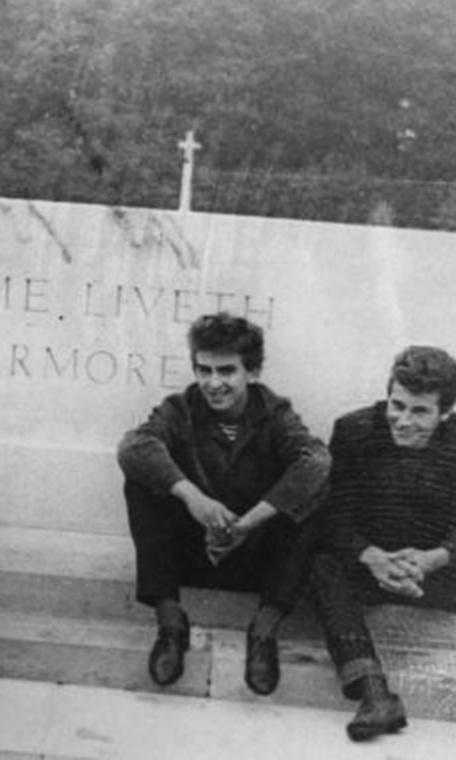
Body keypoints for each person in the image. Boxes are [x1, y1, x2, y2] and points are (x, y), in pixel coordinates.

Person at [117, 312, 329, 694]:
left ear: (252, 371)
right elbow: (134, 447)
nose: (213, 383)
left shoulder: (275, 414)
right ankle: (170, 626)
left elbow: (315, 461)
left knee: (315, 495)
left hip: (254, 558)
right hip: (195, 552)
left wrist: (248, 524)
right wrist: (193, 498)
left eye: (227, 371)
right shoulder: (180, 408)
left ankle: (263, 633)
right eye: (204, 370)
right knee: (141, 480)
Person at [311, 346, 456, 741]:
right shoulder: (354, 430)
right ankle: (374, 694)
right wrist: (370, 556)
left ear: (445, 413)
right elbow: (333, 514)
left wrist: (432, 559)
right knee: (320, 563)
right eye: (398, 405)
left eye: (420, 411)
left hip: (437, 571)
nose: (404, 421)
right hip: (369, 566)